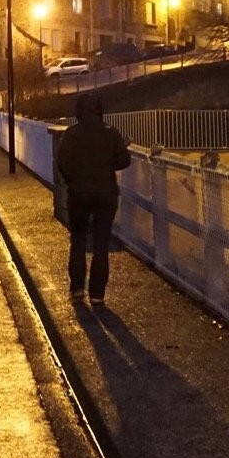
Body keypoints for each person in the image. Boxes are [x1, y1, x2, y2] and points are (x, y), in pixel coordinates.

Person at [53, 91, 130, 305]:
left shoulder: (71, 134)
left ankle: (77, 288)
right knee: (101, 243)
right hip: (105, 194)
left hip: (79, 193)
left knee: (77, 240)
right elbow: (124, 161)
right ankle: (97, 294)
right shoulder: (111, 133)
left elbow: (62, 162)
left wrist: (72, 181)